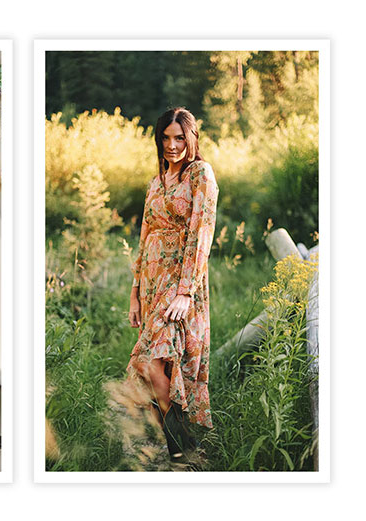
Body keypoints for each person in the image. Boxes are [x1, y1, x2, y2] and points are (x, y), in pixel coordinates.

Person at [127, 107, 218, 461]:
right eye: (166, 137)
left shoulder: (200, 175)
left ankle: (184, 450)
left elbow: (201, 233)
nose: (172, 144)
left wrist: (185, 291)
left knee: (153, 361)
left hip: (180, 282)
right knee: (153, 367)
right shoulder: (156, 181)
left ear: (191, 137)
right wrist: (135, 292)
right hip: (151, 282)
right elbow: (144, 235)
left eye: (179, 137)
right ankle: (179, 452)